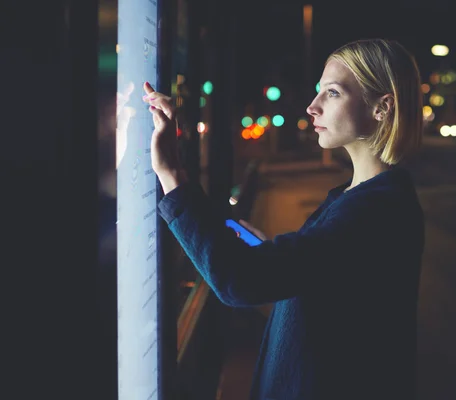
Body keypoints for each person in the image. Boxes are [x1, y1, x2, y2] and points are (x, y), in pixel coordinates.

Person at [143, 38, 425, 400]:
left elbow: (239, 281)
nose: (313, 107)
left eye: (333, 93)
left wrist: (171, 175)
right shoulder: (364, 200)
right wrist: (266, 253)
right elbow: (328, 287)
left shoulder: (375, 211)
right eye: (319, 92)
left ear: (382, 108)